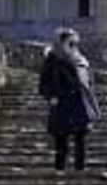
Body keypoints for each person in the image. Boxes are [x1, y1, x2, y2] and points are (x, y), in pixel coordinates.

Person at [38, 26, 102, 170]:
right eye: (69, 43)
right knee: (61, 141)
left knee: (80, 139)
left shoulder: (80, 60)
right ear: (61, 42)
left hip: (78, 103)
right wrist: (51, 97)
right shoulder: (52, 60)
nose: (73, 46)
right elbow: (44, 84)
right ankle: (60, 171)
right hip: (61, 103)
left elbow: (89, 82)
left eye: (74, 43)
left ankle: (80, 170)